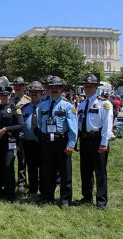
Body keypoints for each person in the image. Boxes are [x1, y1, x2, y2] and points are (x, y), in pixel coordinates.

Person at [37, 76, 77, 208]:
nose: (54, 90)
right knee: (48, 171)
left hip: (61, 142)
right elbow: (39, 123)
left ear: (61, 89)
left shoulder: (68, 106)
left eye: (56, 88)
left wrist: (71, 144)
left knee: (65, 172)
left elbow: (73, 128)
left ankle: (65, 199)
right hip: (47, 142)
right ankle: (48, 196)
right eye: (51, 88)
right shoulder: (42, 106)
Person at [77, 73, 113, 210]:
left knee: (100, 172)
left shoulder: (104, 104)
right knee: (85, 170)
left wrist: (104, 142)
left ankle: (101, 201)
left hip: (98, 140)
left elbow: (107, 125)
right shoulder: (81, 105)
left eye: (91, 86)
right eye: (86, 86)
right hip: (85, 140)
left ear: (96, 87)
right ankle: (86, 197)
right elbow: (79, 124)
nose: (88, 88)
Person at [0, 86, 24, 202]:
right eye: (1, 95)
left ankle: (10, 193)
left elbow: (20, 125)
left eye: (6, 95)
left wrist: (6, 129)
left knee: (8, 166)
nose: (3, 97)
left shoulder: (15, 109)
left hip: (9, 141)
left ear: (9, 96)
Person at [20, 81, 44, 195]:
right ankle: (33, 189)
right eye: (32, 92)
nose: (34, 94)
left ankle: (44, 189)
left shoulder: (45, 106)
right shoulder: (25, 108)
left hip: (42, 141)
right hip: (28, 142)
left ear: (41, 93)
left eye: (36, 92)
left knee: (43, 167)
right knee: (31, 167)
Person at [9, 77, 31, 193]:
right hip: (12, 134)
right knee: (11, 158)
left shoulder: (28, 101)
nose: (17, 88)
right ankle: (10, 180)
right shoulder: (11, 100)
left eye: (20, 86)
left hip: (23, 134)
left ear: (24, 88)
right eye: (16, 86)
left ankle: (22, 182)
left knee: (22, 159)